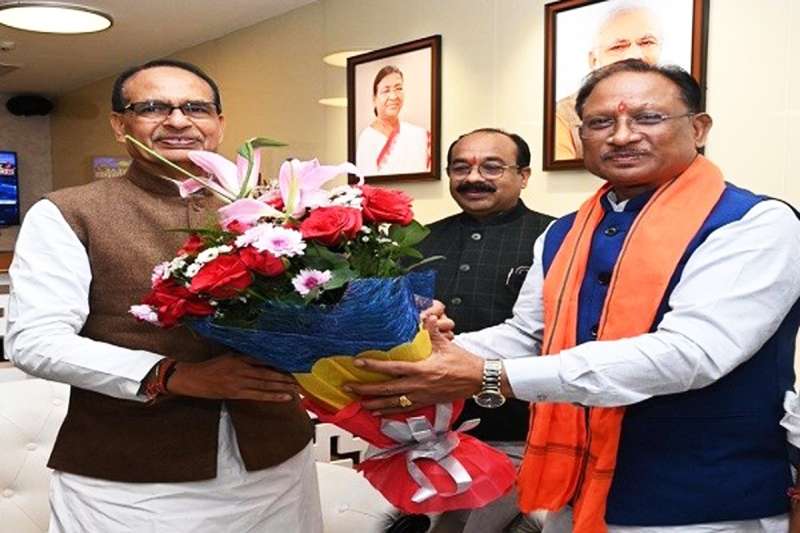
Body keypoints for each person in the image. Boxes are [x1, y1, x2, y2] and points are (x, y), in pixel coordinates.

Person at [347, 59, 800, 532]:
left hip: (705, 501)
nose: (622, 135)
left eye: (648, 117)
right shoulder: (564, 233)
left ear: (699, 128)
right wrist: (415, 356)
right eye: (600, 122)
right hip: (576, 491)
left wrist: (488, 375)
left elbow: (690, 354)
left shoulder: (753, 224)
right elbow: (529, 334)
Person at [6, 59, 322, 532]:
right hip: (134, 479)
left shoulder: (273, 209)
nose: (178, 121)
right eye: (153, 107)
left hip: (277, 464)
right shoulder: (69, 213)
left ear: (219, 124)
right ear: (120, 125)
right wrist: (172, 375)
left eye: (196, 108)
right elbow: (36, 341)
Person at [418, 128, 553, 532]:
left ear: (524, 176)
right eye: (461, 168)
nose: (474, 178)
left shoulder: (554, 238)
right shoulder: (419, 239)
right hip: (423, 429)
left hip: (517, 431)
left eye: (492, 167)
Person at [555, 2, 662, 160]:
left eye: (647, 43)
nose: (635, 55)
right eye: (618, 47)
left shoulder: (676, 105)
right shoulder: (564, 116)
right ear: (594, 61)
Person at [356, 65, 430, 175]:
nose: (393, 96)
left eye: (398, 88)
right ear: (374, 99)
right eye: (386, 91)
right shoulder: (367, 138)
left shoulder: (419, 135)